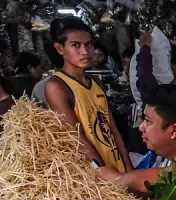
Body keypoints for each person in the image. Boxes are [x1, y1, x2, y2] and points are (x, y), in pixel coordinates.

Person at [44, 17, 133, 172]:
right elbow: (77, 137)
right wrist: (105, 173)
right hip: (97, 174)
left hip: (117, 168)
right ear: (60, 48)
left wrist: (128, 166)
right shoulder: (57, 86)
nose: (85, 51)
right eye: (75, 45)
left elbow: (113, 129)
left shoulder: (96, 83)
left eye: (89, 44)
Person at [98, 85, 176, 195]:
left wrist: (116, 178)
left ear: (174, 131)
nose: (141, 127)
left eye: (148, 120)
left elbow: (148, 183)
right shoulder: (169, 158)